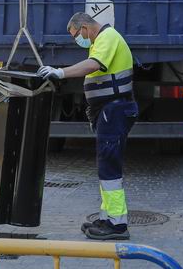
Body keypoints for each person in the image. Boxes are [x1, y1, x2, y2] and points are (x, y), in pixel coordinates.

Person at [37, 13, 137, 240]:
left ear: (84, 27)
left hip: (115, 109)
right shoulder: (101, 40)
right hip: (111, 110)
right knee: (105, 165)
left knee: (109, 166)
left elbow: (93, 65)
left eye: (76, 35)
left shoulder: (107, 37)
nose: (77, 40)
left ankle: (117, 225)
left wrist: (60, 72)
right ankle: (107, 217)